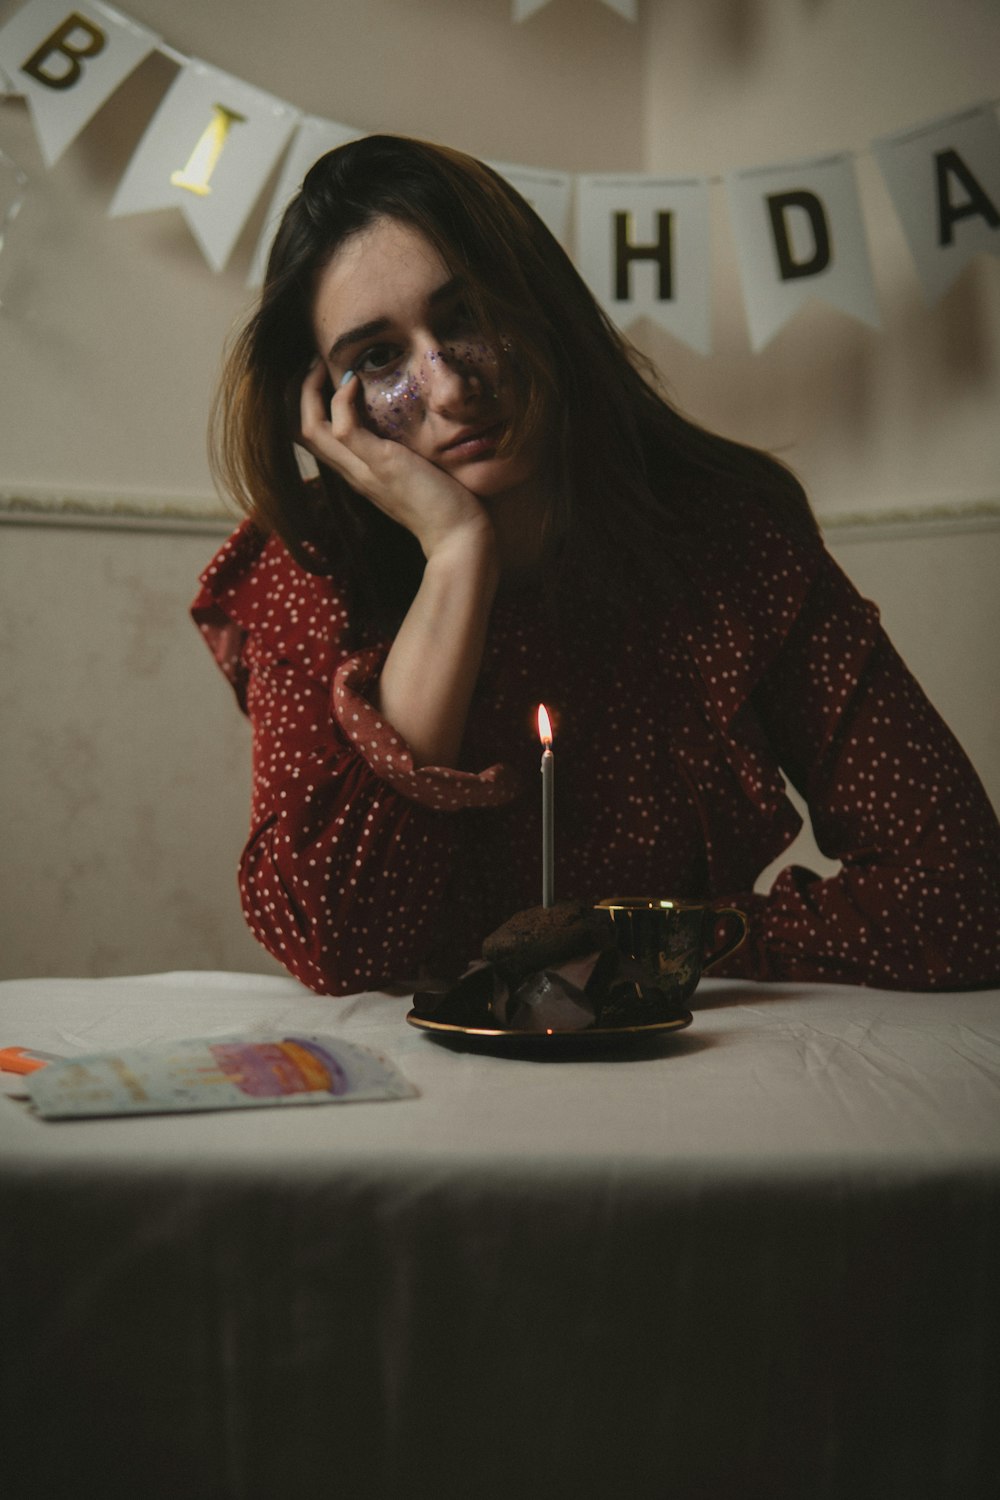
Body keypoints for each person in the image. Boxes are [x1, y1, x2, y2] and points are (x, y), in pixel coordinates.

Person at [192, 133, 1000, 997]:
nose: (452, 388)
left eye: (465, 315)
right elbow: (340, 947)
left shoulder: (725, 538)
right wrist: (459, 556)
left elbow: (961, 896)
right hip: (422, 1092)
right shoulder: (307, 568)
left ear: (540, 306)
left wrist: (647, 949)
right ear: (328, 405)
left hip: (684, 1064)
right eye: (379, 358)